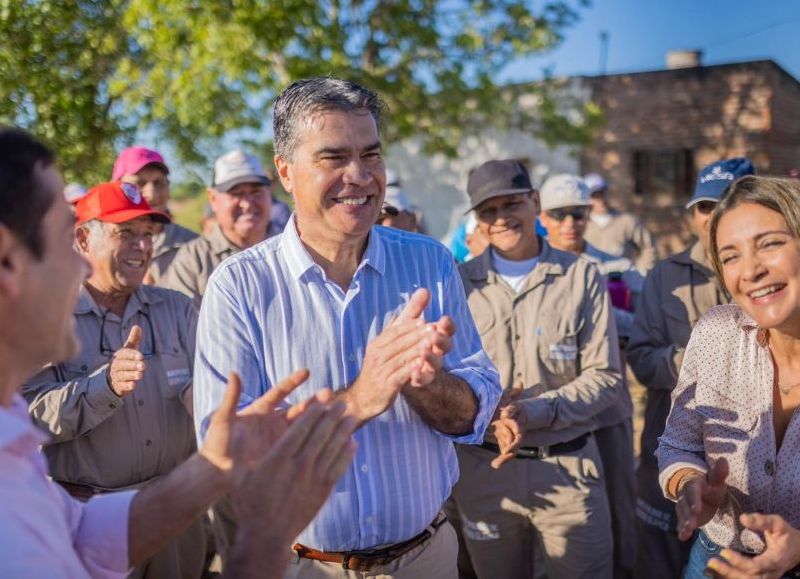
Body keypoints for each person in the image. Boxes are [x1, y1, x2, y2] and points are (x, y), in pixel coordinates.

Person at [0, 127, 358, 579]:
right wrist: (266, 538)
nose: (142, 246)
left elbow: (83, 537)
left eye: (147, 233)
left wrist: (217, 462)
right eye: (59, 239)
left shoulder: (174, 307)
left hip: (169, 515)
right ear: (8, 259)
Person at [193, 77, 502, 579]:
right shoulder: (239, 286)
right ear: (286, 172)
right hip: (304, 568)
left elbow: (473, 414)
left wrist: (426, 383)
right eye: (334, 158)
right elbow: (225, 450)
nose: (359, 176)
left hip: (427, 558)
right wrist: (359, 399)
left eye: (372, 154)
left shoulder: (429, 263)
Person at [452, 159, 622, 579]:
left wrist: (533, 411)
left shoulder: (581, 276)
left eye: (511, 204)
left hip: (568, 470)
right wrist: (483, 412)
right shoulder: (456, 282)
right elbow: (445, 375)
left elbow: (607, 379)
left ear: (534, 202)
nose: (501, 218)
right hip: (485, 473)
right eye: (488, 211)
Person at [657, 175, 800, 579]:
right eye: (730, 255)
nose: (751, 270)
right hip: (715, 559)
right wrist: (690, 483)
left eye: (770, 243)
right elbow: (677, 443)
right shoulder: (717, 331)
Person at [626, 157, 754, 579]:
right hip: (669, 458)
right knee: (660, 562)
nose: (712, 217)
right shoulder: (665, 276)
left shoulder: (767, 276)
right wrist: (702, 360)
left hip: (746, 472)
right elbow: (642, 360)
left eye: (724, 203)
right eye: (703, 206)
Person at [537, 173, 638, 578]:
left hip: (608, 409)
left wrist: (598, 318)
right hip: (553, 411)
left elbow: (643, 327)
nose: (570, 224)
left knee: (617, 505)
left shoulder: (617, 267)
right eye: (560, 214)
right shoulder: (530, 271)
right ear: (542, 216)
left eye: (578, 214)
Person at [162, 149, 274, 303]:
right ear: (213, 198)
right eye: (236, 193)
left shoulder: (295, 247)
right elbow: (182, 324)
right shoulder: (192, 261)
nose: (247, 204)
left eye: (256, 192)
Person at [112, 146, 198, 284]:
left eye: (159, 183)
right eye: (139, 184)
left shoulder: (195, 247)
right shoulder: (97, 246)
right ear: (115, 188)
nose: (152, 194)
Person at [583, 172, 658, 273]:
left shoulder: (627, 221)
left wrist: (642, 272)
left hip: (622, 282)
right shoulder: (582, 224)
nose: (600, 200)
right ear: (586, 199)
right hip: (592, 281)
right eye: (595, 196)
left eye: (602, 194)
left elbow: (648, 247)